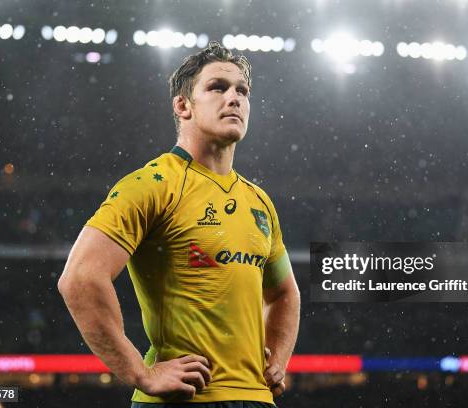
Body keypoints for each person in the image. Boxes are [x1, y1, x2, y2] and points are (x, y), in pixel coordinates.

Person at [58, 42, 300, 407]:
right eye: (217, 87)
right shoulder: (153, 184)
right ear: (183, 106)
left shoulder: (260, 202)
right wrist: (142, 373)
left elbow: (284, 294)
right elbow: (79, 278)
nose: (234, 98)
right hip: (183, 399)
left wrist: (277, 359)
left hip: (257, 399)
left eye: (242, 91)